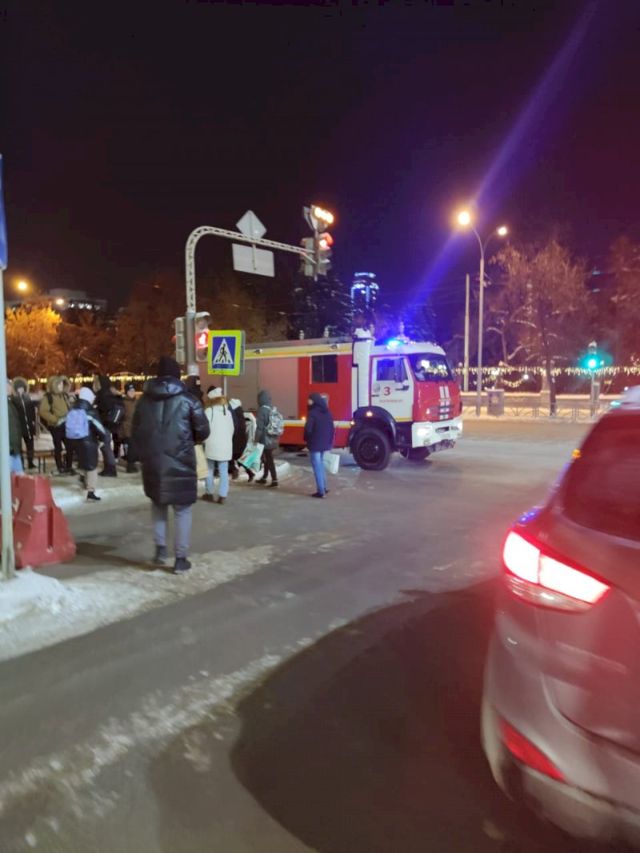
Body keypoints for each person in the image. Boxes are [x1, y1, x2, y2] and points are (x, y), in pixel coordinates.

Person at [132, 356, 209, 574]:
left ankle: (160, 551)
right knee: (182, 510)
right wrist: (189, 440)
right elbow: (203, 431)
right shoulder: (189, 400)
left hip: (153, 463)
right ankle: (181, 559)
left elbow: (135, 431)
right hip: (181, 463)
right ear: (177, 375)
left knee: (158, 505)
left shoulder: (143, 401)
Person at [64, 387, 106, 502]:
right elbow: (99, 427)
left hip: (75, 441)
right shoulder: (91, 411)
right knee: (92, 467)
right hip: (89, 441)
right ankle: (91, 491)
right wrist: (103, 438)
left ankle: (84, 481)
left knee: (84, 463)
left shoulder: (72, 409)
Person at [202, 387, 235, 504]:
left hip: (211, 444)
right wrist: (227, 440)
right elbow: (232, 429)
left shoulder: (208, 411)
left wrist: (204, 441)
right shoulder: (228, 412)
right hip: (225, 445)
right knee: (223, 471)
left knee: (209, 469)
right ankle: (223, 495)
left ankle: (209, 493)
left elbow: (204, 429)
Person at [39, 375, 72, 475]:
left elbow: (68, 408)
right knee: (58, 447)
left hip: (66, 424)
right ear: (54, 385)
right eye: (59, 384)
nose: (61, 386)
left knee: (70, 446)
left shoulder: (64, 395)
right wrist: (55, 419)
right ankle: (60, 466)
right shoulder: (48, 397)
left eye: (62, 384)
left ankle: (68, 466)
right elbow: (43, 411)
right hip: (55, 426)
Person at [304, 393, 335, 498]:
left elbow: (308, 429)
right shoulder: (327, 412)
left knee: (317, 466)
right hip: (324, 443)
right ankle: (324, 487)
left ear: (314, 401)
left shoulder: (312, 413)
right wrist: (330, 442)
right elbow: (332, 428)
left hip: (315, 443)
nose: (308, 402)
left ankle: (321, 491)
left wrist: (306, 439)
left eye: (310, 400)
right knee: (320, 465)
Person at [93, 375, 122, 477]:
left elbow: (102, 412)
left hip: (104, 425)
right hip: (109, 425)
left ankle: (110, 469)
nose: (94, 385)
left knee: (105, 447)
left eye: (96, 383)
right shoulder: (109, 394)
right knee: (106, 446)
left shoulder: (103, 396)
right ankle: (109, 468)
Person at [254, 390, 279, 487]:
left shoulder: (262, 410)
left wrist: (256, 440)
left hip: (265, 439)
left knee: (268, 459)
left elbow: (259, 428)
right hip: (274, 438)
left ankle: (274, 479)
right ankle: (265, 477)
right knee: (267, 458)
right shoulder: (273, 408)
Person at [12, 377, 37, 471]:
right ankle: (21, 463)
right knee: (19, 446)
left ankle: (30, 462)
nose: (20, 390)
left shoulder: (28, 398)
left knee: (30, 444)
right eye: (19, 388)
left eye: (22, 388)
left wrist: (33, 421)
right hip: (19, 425)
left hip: (29, 425)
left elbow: (32, 411)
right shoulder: (14, 400)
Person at [228, 397, 249, 481]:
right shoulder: (240, 412)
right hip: (241, 441)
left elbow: (234, 427)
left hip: (235, 440)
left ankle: (234, 471)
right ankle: (250, 472)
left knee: (230, 457)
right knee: (238, 458)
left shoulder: (234, 414)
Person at [120, 382, 139, 473]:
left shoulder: (137, 401)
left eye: (133, 390)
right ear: (126, 392)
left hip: (136, 428)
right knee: (130, 448)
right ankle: (130, 466)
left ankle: (132, 464)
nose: (132, 392)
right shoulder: (123, 402)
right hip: (127, 428)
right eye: (130, 391)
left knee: (134, 447)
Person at [7, 381, 24, 474]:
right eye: (7, 386)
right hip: (8, 449)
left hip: (14, 449)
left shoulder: (11, 403)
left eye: (10, 386)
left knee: (19, 477)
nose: (10, 388)